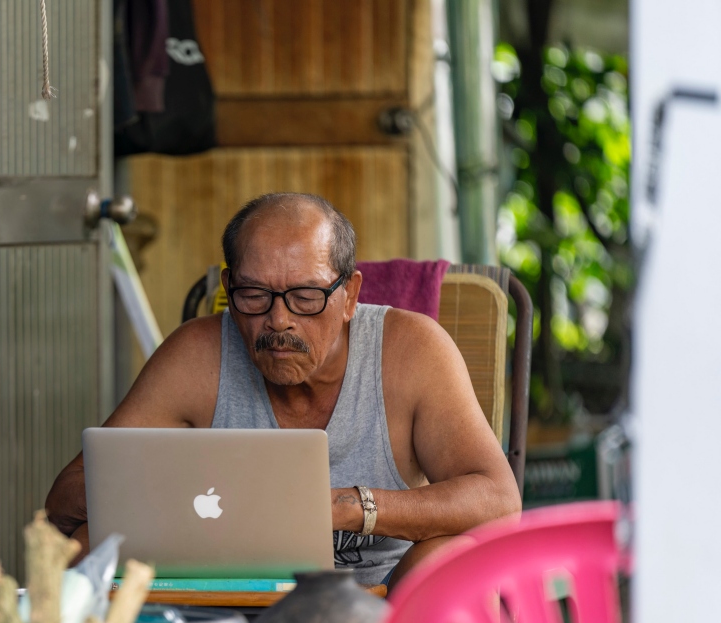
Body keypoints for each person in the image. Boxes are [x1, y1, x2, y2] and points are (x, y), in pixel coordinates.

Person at [45, 192, 521, 589]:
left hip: (383, 602)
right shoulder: (197, 355)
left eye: (306, 297)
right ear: (229, 289)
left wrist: (346, 508)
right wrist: (177, 496)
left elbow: (498, 501)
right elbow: (65, 500)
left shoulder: (411, 351)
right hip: (222, 599)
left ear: (351, 296)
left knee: (451, 564)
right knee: (85, 546)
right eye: (254, 295)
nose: (278, 320)